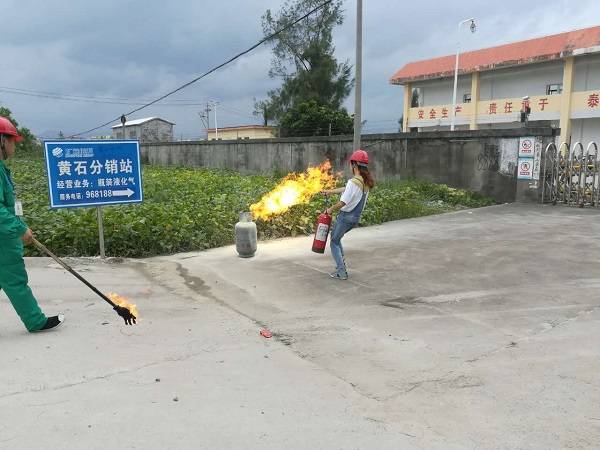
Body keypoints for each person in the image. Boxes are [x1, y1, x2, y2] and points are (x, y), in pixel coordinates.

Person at [0, 116, 64, 332]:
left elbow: (7, 205)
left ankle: (35, 320)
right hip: (2, 242)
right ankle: (36, 321)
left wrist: (21, 224)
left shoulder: (1, 170)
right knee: (15, 281)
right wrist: (19, 229)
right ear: (1, 141)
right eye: (12, 141)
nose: (14, 146)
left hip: (5, 234)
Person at [321, 149, 375, 280]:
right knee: (337, 238)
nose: (350, 166)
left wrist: (329, 210)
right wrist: (330, 191)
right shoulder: (363, 181)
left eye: (351, 163)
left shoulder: (354, 182)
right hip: (355, 218)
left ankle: (341, 271)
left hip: (346, 217)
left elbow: (343, 202)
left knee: (334, 241)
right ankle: (341, 265)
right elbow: (346, 189)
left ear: (355, 164)